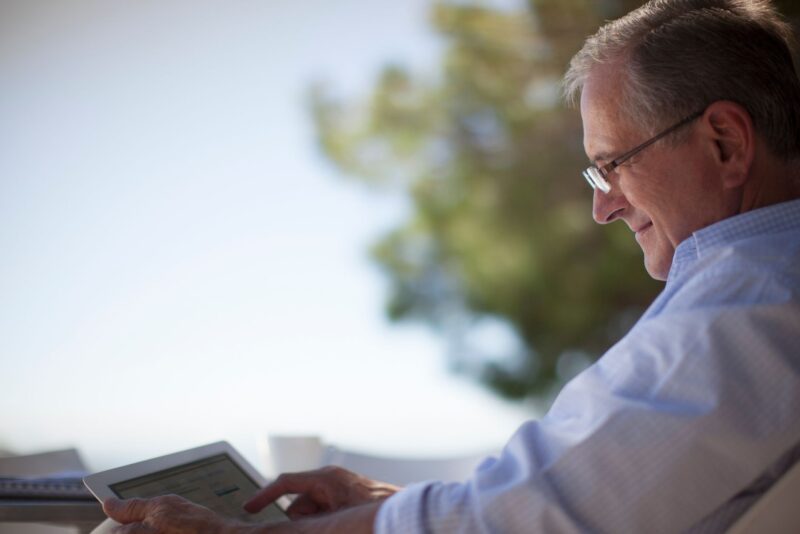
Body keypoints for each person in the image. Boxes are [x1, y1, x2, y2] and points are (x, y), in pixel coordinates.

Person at [102, 0, 800, 532]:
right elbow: (568, 500)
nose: (604, 209)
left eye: (613, 165)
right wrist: (393, 506)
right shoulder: (759, 293)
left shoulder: (748, 298)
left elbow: (528, 521)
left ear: (725, 143)